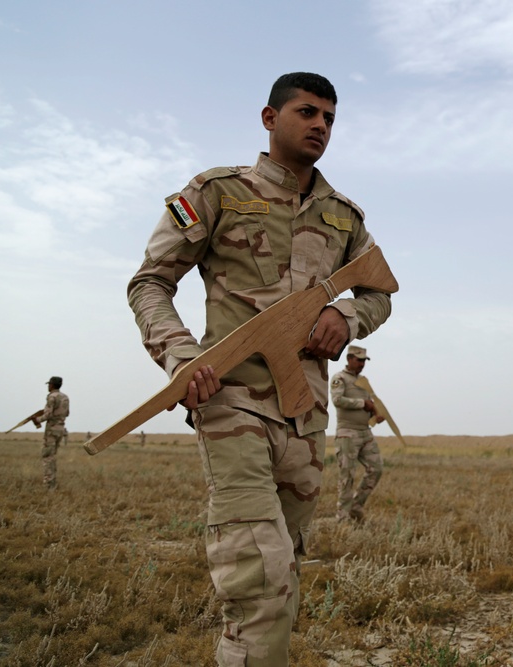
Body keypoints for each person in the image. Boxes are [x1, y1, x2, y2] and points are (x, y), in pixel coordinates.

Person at [127, 72, 393, 666]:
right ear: (270, 119)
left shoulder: (344, 215)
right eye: (306, 112)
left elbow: (381, 293)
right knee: (260, 585)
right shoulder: (215, 190)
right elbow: (150, 282)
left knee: (287, 571)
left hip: (306, 418)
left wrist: (346, 316)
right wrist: (179, 354)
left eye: (329, 117)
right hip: (230, 404)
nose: (320, 125)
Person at [329, 345, 384, 522]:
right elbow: (337, 400)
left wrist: (376, 413)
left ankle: (355, 507)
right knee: (347, 476)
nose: (362, 364)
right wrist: (362, 404)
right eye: (359, 360)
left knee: (376, 469)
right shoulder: (339, 378)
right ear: (349, 359)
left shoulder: (363, 381)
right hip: (347, 432)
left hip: (365, 432)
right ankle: (342, 517)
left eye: (364, 361)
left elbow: (371, 402)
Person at [33, 376, 69, 489]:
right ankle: (52, 482)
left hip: (51, 429)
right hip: (61, 429)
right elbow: (67, 413)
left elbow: (48, 414)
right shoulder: (65, 397)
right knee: (53, 456)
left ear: (52, 385)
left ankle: (48, 484)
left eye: (49, 384)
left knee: (48, 456)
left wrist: (37, 420)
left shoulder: (51, 397)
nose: (48, 386)